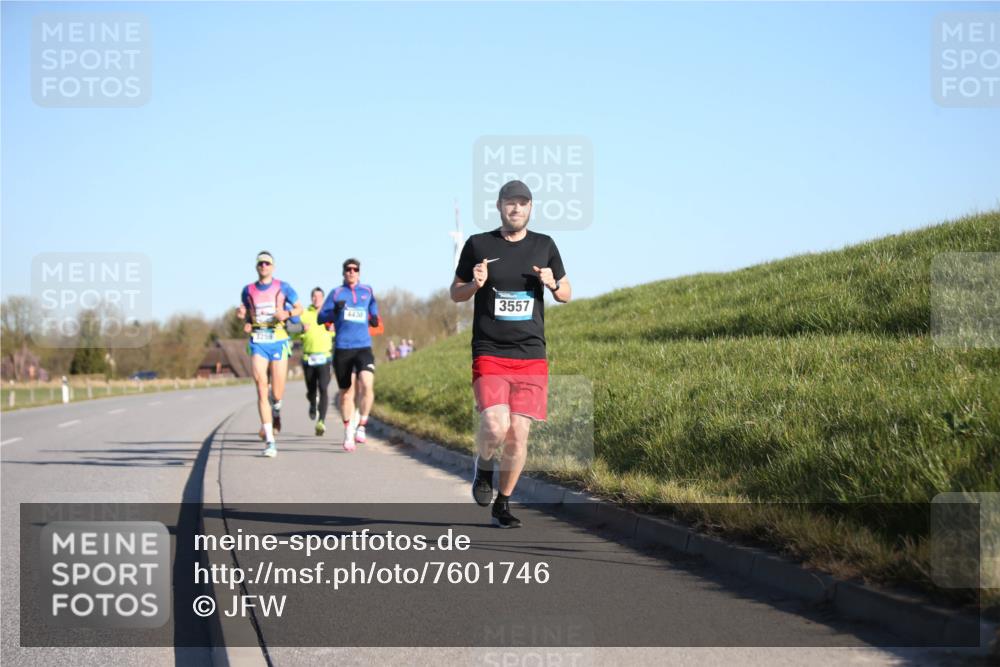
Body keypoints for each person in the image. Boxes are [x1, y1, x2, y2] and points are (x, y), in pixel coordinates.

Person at [450, 180, 571, 528]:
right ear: (500, 206)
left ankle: (503, 503)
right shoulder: (478, 245)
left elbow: (566, 293)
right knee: (495, 424)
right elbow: (455, 293)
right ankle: (484, 466)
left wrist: (553, 283)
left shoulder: (544, 246)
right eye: (510, 203)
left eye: (522, 203)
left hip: (531, 354)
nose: (516, 209)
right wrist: (475, 284)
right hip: (490, 350)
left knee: (518, 433)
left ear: (530, 208)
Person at [241, 251, 303, 458]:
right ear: (256, 267)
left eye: (267, 263)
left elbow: (299, 308)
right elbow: (247, 314)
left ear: (273, 267)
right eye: (260, 264)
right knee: (260, 387)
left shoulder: (283, 286)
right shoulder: (248, 290)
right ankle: (269, 441)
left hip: (278, 341)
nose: (264, 266)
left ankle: (276, 409)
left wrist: (287, 314)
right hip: (258, 342)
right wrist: (245, 320)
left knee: (276, 393)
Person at [317, 258, 381, 452]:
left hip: (363, 346)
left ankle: (362, 424)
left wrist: (374, 318)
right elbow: (321, 317)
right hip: (343, 348)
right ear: (343, 273)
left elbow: (373, 311)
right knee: (346, 394)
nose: (351, 272)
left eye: (355, 269)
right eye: (348, 269)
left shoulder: (367, 291)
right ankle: (348, 432)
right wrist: (333, 311)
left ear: (359, 273)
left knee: (367, 384)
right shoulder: (336, 293)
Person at [298, 287, 335, 436]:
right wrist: (301, 328)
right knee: (311, 389)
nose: (316, 299)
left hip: (325, 357)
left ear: (323, 299)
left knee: (324, 388)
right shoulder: (304, 314)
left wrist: (334, 328)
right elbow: (292, 332)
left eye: (319, 296)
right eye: (314, 296)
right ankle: (313, 403)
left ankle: (322, 421)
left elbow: (339, 329)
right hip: (308, 357)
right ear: (311, 298)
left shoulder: (329, 314)